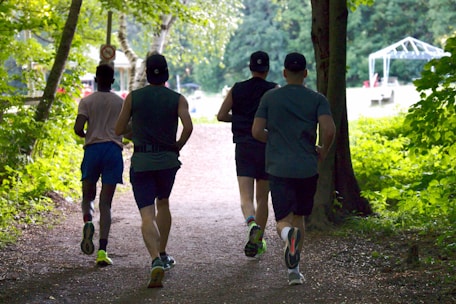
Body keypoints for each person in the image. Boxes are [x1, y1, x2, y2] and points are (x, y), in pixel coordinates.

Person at [252, 52, 336, 285]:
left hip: (279, 167)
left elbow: (257, 132)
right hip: (307, 167)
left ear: (285, 73)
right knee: (299, 217)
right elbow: (329, 130)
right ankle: (294, 272)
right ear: (306, 73)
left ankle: (286, 235)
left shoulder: (270, 97)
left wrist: (276, 139)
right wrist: (322, 151)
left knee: (283, 220)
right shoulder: (317, 99)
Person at [115, 53, 193, 288]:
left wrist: (135, 132)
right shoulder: (177, 98)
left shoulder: (134, 97)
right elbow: (188, 127)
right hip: (167, 161)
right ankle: (163, 253)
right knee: (164, 203)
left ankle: (154, 260)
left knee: (147, 215)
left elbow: (119, 128)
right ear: (167, 73)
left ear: (147, 73)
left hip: (142, 161)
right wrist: (176, 146)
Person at [217, 51, 278, 258]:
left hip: (243, 146)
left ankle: (251, 223)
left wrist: (240, 119)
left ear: (250, 68)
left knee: (245, 195)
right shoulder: (273, 90)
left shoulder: (238, 88)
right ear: (267, 69)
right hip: (265, 146)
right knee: (263, 198)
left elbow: (221, 115)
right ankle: (258, 242)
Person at [73, 64, 124, 266]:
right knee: (106, 203)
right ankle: (102, 251)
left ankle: (88, 221)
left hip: (93, 150)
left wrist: (88, 135)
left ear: (96, 79)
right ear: (112, 81)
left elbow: (78, 128)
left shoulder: (86, 101)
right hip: (112, 150)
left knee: (88, 195)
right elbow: (127, 129)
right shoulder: (120, 103)